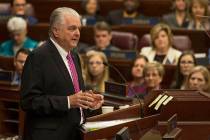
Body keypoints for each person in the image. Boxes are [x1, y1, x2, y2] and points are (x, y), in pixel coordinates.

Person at [20, 7, 104, 140]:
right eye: (72, 28)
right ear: (55, 31)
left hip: (75, 133)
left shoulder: (74, 56)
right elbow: (29, 101)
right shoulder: (38, 56)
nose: (77, 33)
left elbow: (73, 94)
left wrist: (87, 103)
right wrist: (68, 101)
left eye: (79, 29)